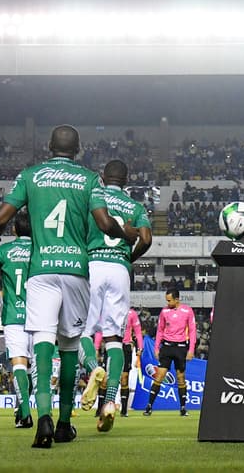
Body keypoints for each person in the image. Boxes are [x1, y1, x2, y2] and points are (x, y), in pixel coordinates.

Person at [0, 125, 137, 449]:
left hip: (41, 269)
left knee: (43, 340)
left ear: (49, 145)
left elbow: (1, 217)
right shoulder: (89, 179)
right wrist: (124, 234)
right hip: (76, 270)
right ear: (79, 149)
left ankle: (43, 417)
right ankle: (65, 423)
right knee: (70, 345)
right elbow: (102, 221)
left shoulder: (31, 175)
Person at [81, 159, 152, 432]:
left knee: (83, 333)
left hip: (94, 264)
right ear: (126, 179)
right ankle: (110, 402)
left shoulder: (93, 197)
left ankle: (92, 368)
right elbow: (145, 238)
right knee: (114, 338)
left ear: (102, 176)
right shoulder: (135, 206)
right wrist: (128, 259)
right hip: (120, 270)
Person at [0, 211, 33, 428]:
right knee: (35, 367)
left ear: (14, 229)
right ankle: (39, 412)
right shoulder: (40, 250)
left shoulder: (5, 250)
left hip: (13, 317)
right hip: (38, 315)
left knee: (18, 363)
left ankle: (25, 414)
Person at [142, 288, 196, 417]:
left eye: (169, 300)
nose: (167, 302)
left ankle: (183, 408)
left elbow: (193, 331)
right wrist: (156, 348)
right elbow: (160, 330)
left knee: (181, 379)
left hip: (181, 348)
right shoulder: (164, 311)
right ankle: (149, 406)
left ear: (177, 299)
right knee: (159, 377)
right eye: (166, 300)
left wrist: (191, 349)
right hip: (166, 347)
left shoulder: (187, 311)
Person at [118, 307, 143, 417]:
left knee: (124, 378)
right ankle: (101, 409)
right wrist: (96, 347)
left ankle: (124, 409)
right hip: (112, 345)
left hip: (125, 347)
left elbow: (138, 332)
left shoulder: (131, 313)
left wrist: (140, 348)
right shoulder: (109, 310)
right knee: (107, 379)